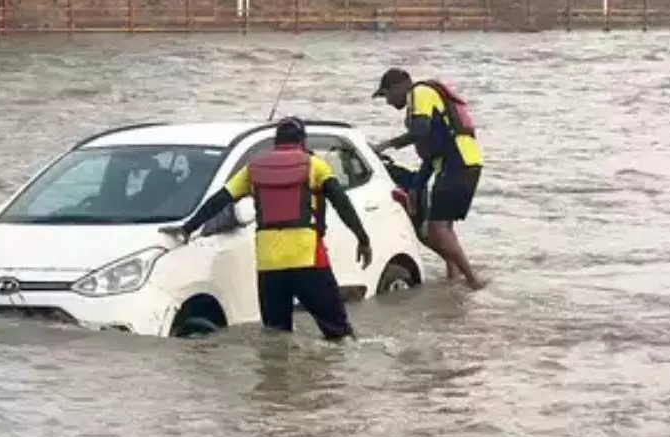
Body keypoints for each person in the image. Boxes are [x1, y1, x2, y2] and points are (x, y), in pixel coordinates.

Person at [159, 117, 373, 342]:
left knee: (277, 336)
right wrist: (362, 238)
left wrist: (187, 228)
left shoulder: (253, 169)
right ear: (302, 141)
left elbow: (220, 200)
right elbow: (341, 203)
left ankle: (276, 377)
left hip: (269, 264)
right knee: (338, 331)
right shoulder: (315, 165)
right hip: (308, 259)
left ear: (276, 142)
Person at [371, 68, 485, 290]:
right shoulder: (424, 100)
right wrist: (416, 187)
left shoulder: (420, 93)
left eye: (386, 95)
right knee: (444, 228)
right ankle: (453, 278)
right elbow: (431, 155)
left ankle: (472, 280)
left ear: (398, 86)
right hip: (463, 163)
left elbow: (420, 131)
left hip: (457, 164)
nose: (387, 102)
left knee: (436, 230)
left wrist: (385, 145)